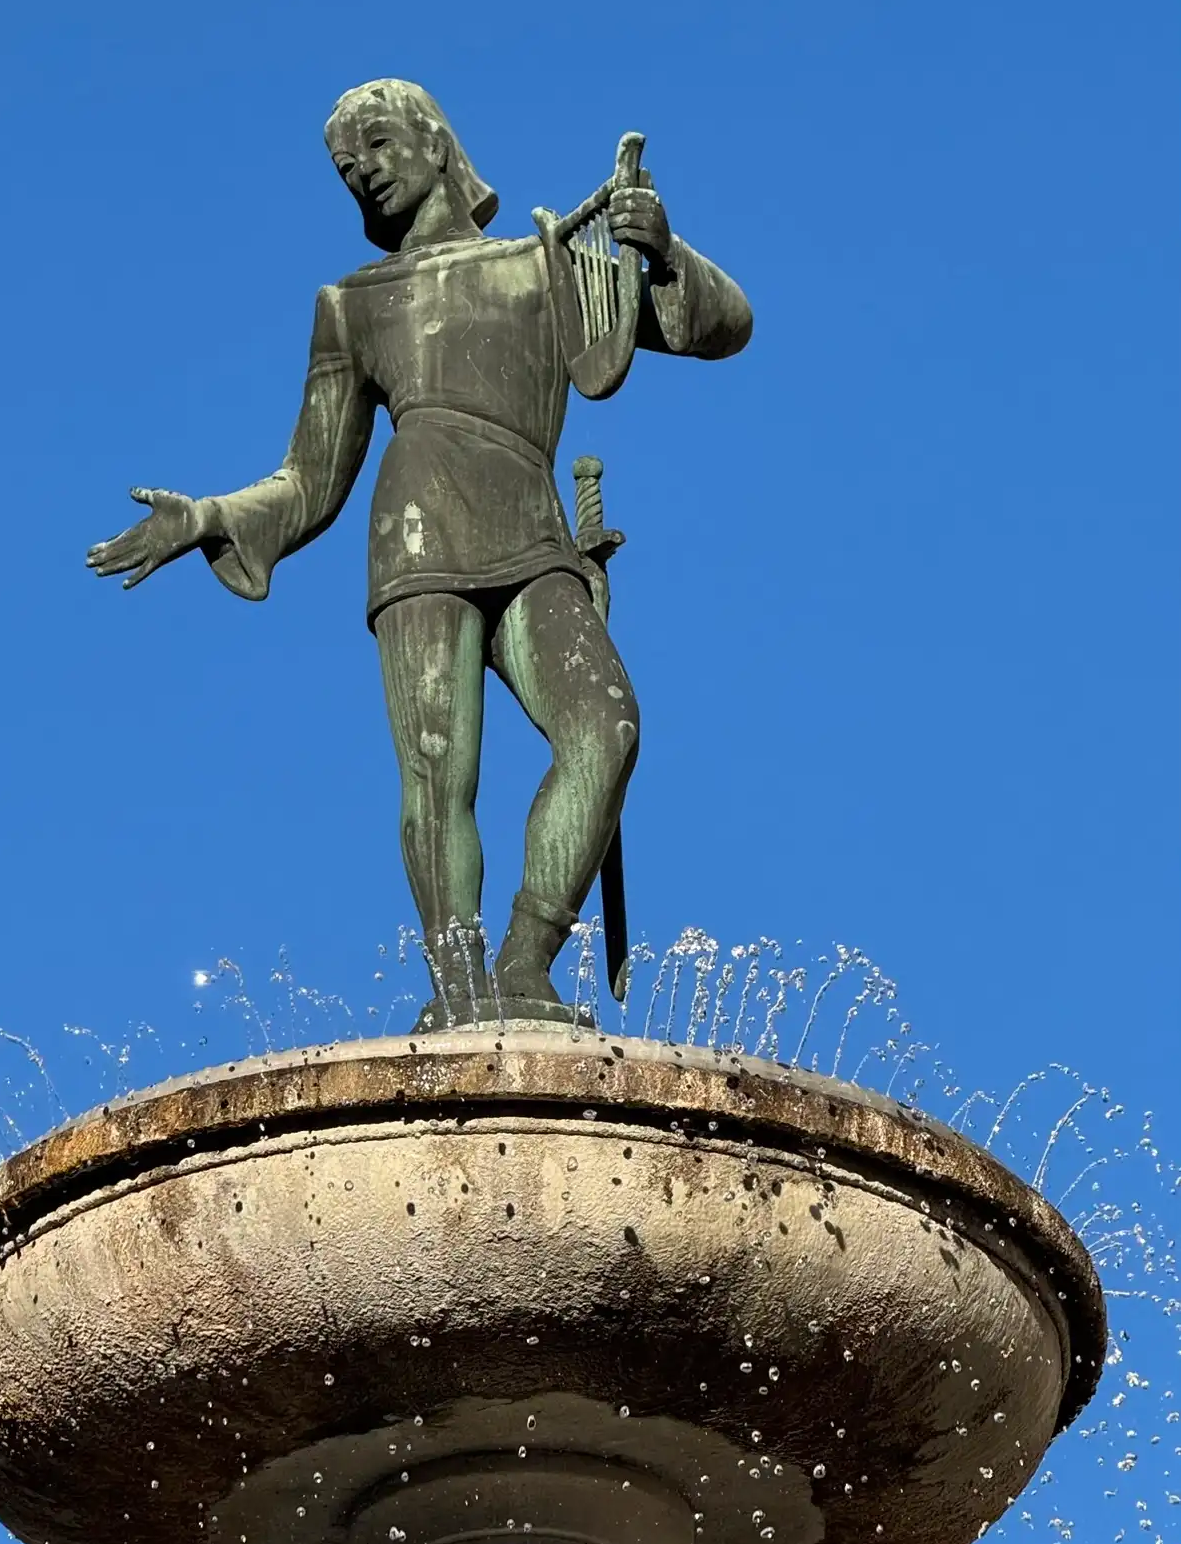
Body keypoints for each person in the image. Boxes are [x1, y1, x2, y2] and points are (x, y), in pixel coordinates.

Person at [88, 80, 752, 1023]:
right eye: (343, 165)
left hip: (532, 530)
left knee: (606, 728)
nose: (361, 169)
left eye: (377, 143)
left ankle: (525, 964)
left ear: (437, 144)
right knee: (440, 771)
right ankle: (460, 989)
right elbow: (309, 476)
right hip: (416, 535)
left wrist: (665, 252)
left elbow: (723, 327)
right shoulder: (351, 305)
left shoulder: (542, 262)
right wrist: (207, 516)